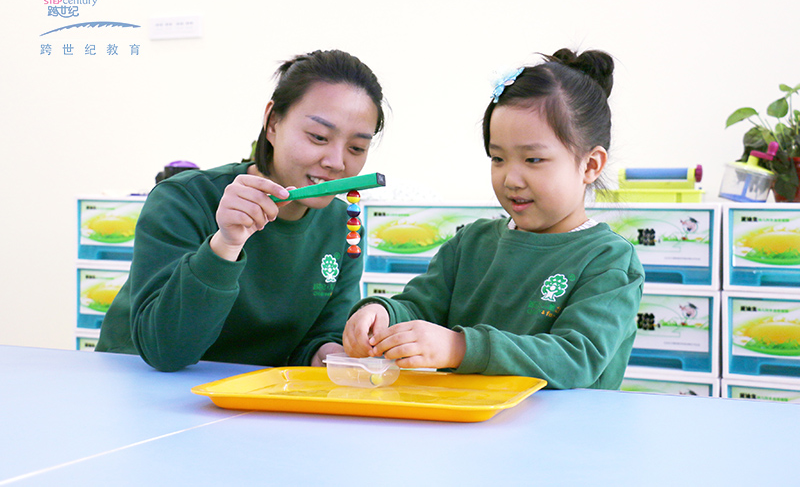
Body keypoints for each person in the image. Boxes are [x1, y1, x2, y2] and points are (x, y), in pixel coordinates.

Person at [343, 48, 644, 390]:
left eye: (532, 160)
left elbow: (576, 358)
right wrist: (383, 316)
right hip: (471, 429)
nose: (510, 178)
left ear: (590, 165)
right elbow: (419, 306)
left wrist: (460, 348)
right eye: (498, 158)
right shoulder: (472, 243)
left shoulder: (608, 260)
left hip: (564, 436)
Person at [96, 49, 386, 372]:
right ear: (273, 123)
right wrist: (226, 244)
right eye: (318, 137)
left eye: (357, 148)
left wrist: (336, 354)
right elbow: (166, 351)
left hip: (245, 397)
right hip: (137, 385)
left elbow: (320, 338)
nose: (337, 162)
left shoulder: (342, 226)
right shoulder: (182, 200)